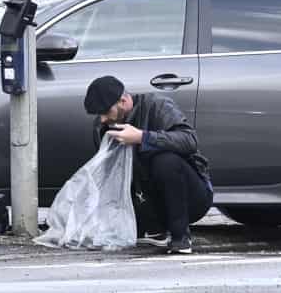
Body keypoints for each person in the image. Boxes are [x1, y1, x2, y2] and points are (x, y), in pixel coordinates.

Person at [84, 74, 213, 254]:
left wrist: (142, 137)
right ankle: (153, 230)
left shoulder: (157, 106)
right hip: (146, 199)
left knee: (166, 161)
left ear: (123, 100)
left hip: (191, 197)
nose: (103, 118)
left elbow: (189, 140)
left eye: (106, 112)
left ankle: (180, 238)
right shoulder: (103, 126)